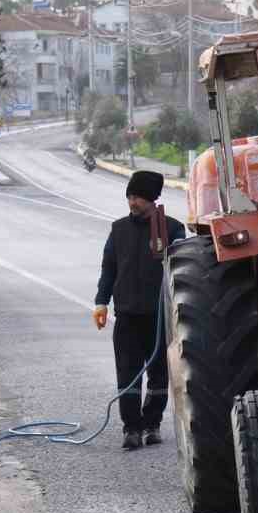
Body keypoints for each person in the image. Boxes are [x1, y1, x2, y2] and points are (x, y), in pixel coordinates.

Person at [94, 170, 186, 450]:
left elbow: (183, 269)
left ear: (152, 199)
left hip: (159, 318)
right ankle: (131, 429)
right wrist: (101, 302)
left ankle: (152, 424)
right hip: (126, 316)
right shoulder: (118, 229)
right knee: (127, 375)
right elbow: (108, 268)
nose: (132, 202)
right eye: (130, 197)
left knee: (159, 376)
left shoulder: (172, 229)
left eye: (138, 198)